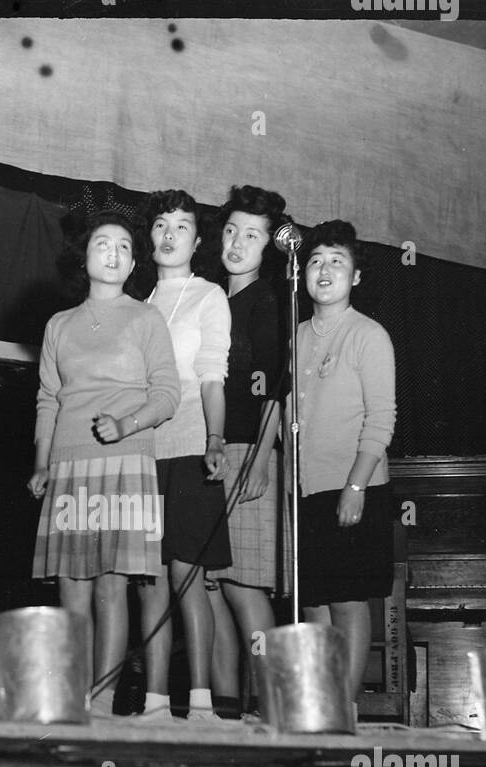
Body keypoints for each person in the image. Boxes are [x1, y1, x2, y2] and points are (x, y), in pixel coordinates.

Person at [30, 210, 181, 718]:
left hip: (124, 464)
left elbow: (167, 394)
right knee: (71, 588)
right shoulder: (59, 324)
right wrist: (42, 462)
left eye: (123, 247)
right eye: (102, 244)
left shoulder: (145, 318)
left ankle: (104, 699)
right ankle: (72, 700)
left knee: (111, 587)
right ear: (85, 257)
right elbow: (49, 398)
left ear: (134, 261)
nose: (113, 253)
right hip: (69, 466)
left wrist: (128, 423)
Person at [285, 221, 397, 700]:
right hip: (306, 491)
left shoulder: (369, 335)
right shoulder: (295, 337)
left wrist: (355, 488)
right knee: (312, 606)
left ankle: (345, 711)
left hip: (354, 487)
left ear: (354, 277)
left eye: (336, 261)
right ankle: (318, 707)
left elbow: (381, 419)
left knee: (348, 602)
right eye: (314, 261)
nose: (324, 269)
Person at [134, 189, 232, 722]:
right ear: (150, 237)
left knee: (186, 576)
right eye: (161, 225)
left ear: (197, 240)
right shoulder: (139, 305)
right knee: (148, 579)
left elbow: (213, 377)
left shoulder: (208, 296)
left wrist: (215, 440)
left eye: (182, 226)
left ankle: (200, 704)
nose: (170, 235)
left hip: (193, 446)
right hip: (142, 456)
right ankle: (152, 704)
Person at [204, 185, 291, 718]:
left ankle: (277, 708)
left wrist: (260, 460)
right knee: (210, 589)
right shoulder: (212, 298)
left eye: (253, 235)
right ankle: (226, 714)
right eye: (233, 230)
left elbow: (279, 388)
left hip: (249, 452)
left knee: (244, 588)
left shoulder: (269, 302)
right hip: (208, 454)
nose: (238, 242)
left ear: (269, 246)